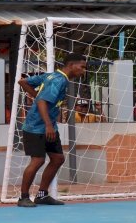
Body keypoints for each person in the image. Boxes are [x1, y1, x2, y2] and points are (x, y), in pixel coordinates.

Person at [15, 53, 88, 207]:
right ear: (71, 65)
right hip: (36, 127)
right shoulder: (58, 80)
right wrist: (48, 124)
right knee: (38, 160)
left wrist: (37, 97)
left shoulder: (51, 76)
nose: (83, 71)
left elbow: (23, 82)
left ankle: (42, 195)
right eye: (82, 67)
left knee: (58, 158)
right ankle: (23, 197)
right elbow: (42, 101)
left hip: (49, 127)